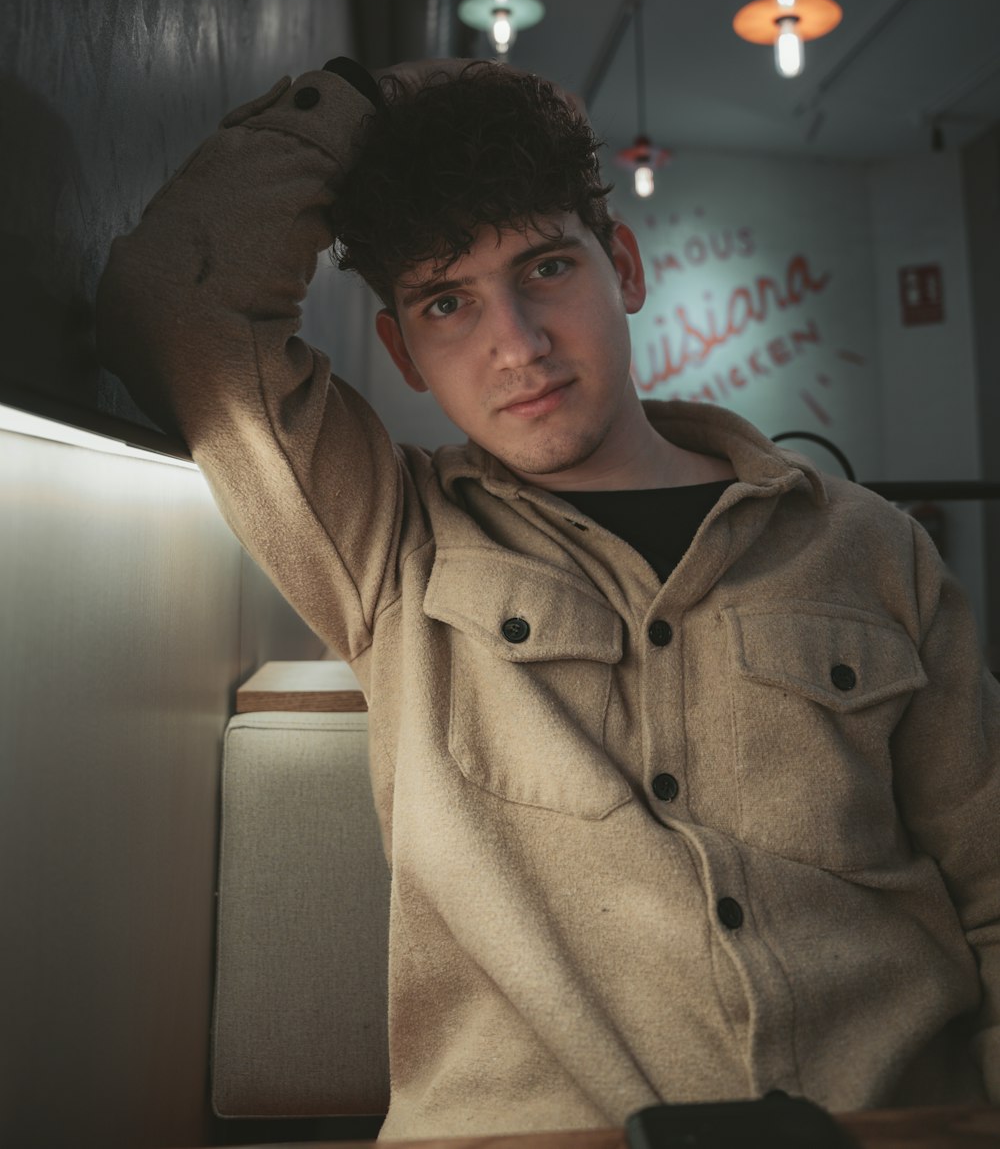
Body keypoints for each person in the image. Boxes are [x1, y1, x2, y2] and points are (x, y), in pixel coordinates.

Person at [96, 56, 1000, 1139]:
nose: (516, 345)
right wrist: (368, 93)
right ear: (403, 350)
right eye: (446, 301)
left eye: (546, 267)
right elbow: (177, 299)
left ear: (620, 263)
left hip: (894, 1125)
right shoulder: (386, 539)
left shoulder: (871, 548)